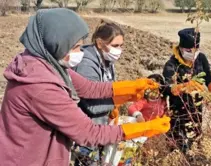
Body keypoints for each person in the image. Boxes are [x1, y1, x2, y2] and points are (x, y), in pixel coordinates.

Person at [0, 8, 170, 166]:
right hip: (27, 159)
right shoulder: (40, 85)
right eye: (75, 47)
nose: (80, 53)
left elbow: (90, 88)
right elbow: (89, 133)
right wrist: (145, 128)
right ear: (55, 44)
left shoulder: (47, 64)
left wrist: (133, 88)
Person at [71, 19, 125, 165]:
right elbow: (91, 106)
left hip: (99, 126)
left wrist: (113, 107)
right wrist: (118, 100)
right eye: (115, 46)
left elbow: (108, 89)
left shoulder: (107, 61)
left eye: (121, 46)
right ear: (100, 43)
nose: (118, 50)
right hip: (84, 129)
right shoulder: (86, 63)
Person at [162, 28, 211, 153]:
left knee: (195, 139)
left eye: (195, 50)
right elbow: (167, 87)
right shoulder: (172, 64)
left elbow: (208, 76)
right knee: (179, 143)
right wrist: (184, 87)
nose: (193, 53)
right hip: (179, 110)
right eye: (189, 50)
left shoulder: (201, 58)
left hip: (196, 109)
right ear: (181, 48)